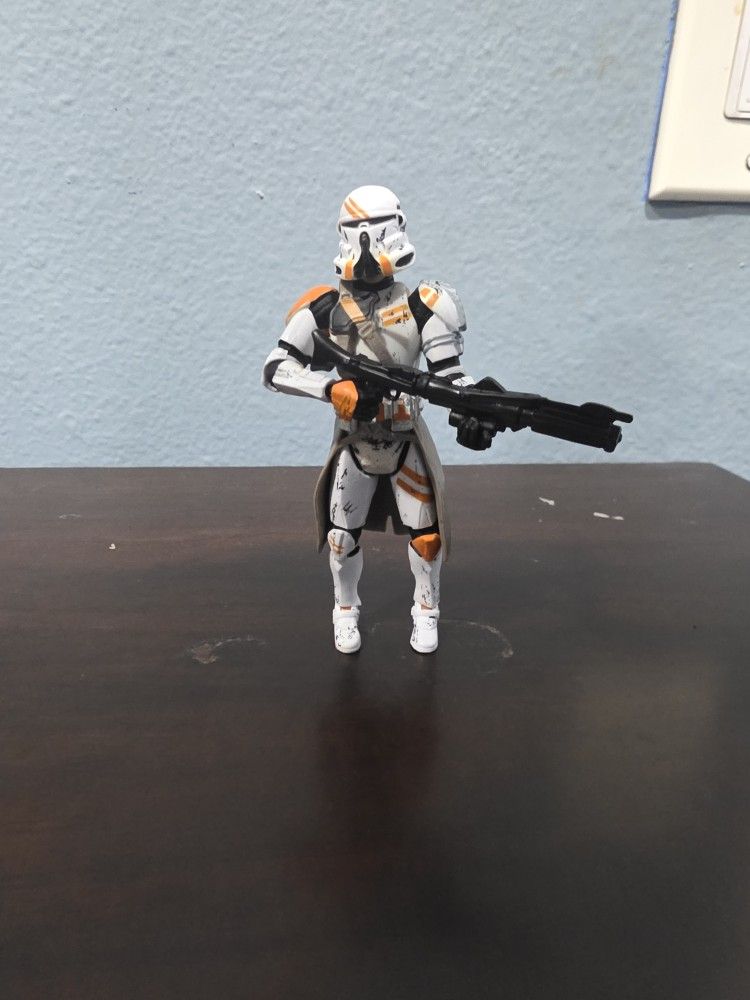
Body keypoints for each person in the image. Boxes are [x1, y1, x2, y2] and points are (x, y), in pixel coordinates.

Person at [262, 185, 491, 654]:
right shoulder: (324, 307)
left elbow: (449, 374)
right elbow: (275, 368)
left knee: (426, 539)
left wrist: (478, 405)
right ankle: (345, 609)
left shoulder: (424, 304)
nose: (368, 247)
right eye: (358, 232)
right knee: (340, 538)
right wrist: (329, 388)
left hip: (406, 438)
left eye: (376, 231)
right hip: (355, 441)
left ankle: (426, 610)